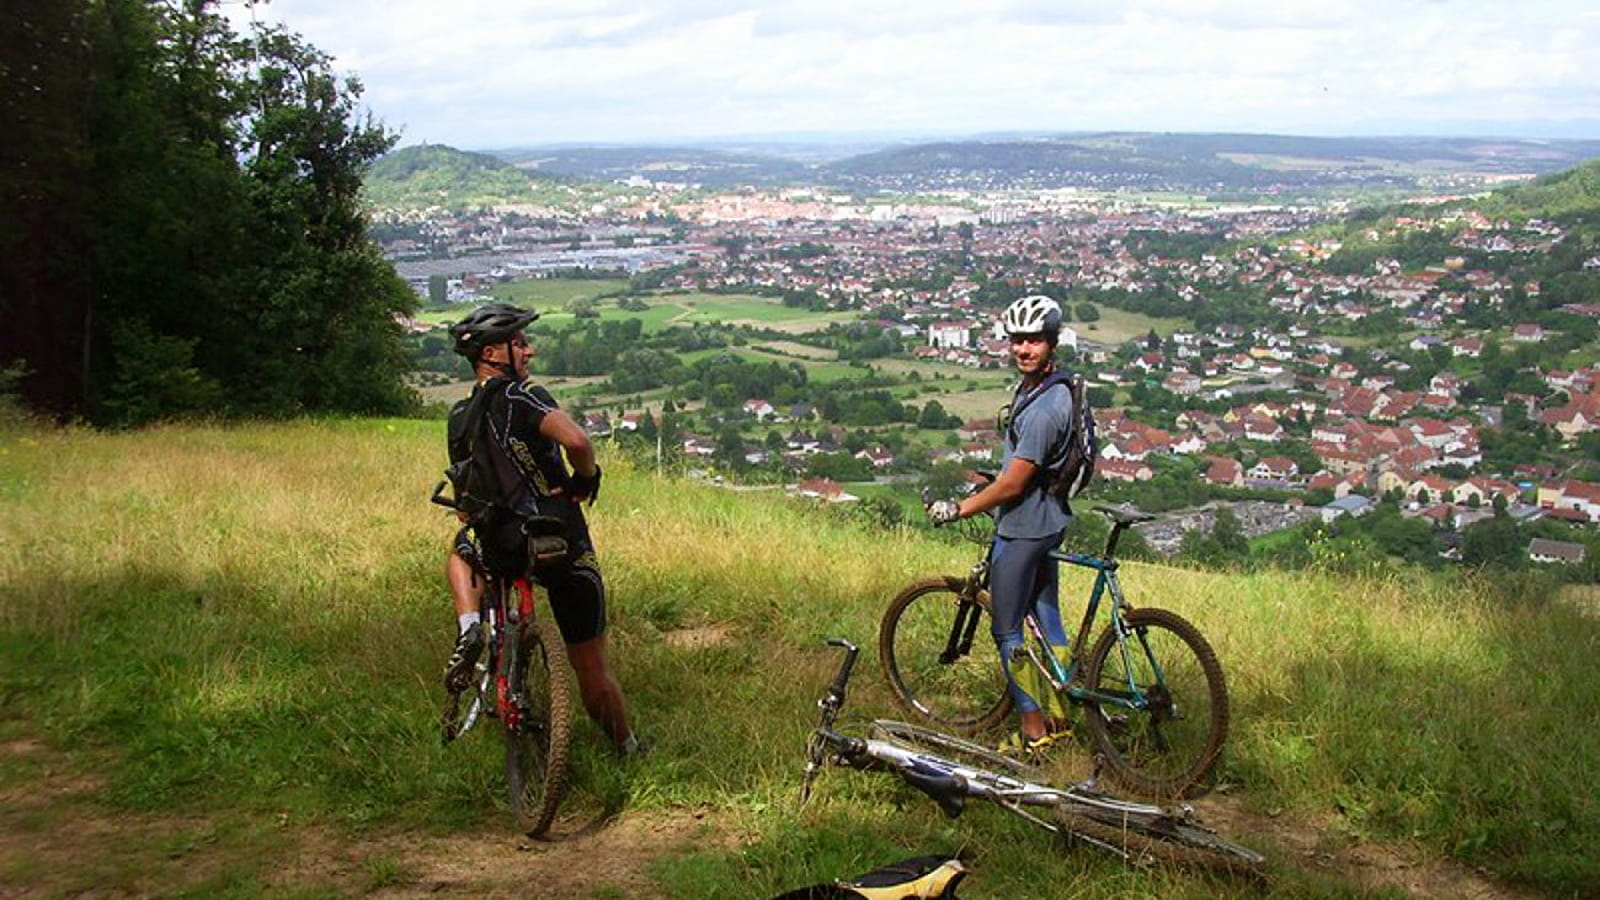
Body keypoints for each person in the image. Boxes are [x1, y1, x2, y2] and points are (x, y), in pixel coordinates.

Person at [442, 302, 638, 756]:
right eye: (519, 343)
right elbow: (578, 441)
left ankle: (471, 625)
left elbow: (465, 495)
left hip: (500, 542)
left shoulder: (459, 415)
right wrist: (585, 479)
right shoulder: (521, 395)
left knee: (461, 547)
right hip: (559, 538)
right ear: (494, 353)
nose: (528, 352)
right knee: (591, 665)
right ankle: (626, 748)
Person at [927, 295, 1074, 755]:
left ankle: (1035, 732)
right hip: (1050, 518)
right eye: (1017, 341)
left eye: (1033, 341)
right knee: (1048, 617)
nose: (1023, 349)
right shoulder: (1055, 388)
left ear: (1051, 343)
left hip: (1023, 528)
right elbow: (1025, 472)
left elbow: (1012, 487)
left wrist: (960, 509)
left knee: (1007, 629)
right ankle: (1061, 716)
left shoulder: (1044, 409)